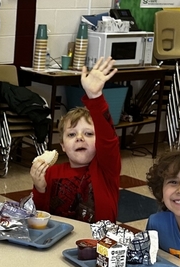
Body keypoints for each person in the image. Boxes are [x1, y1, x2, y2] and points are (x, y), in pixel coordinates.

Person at [30, 56, 121, 223]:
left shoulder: (106, 169)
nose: (80, 138)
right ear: (63, 146)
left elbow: (108, 138)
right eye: (72, 134)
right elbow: (40, 216)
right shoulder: (51, 173)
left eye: (88, 134)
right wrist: (40, 188)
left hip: (99, 244)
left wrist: (95, 97)